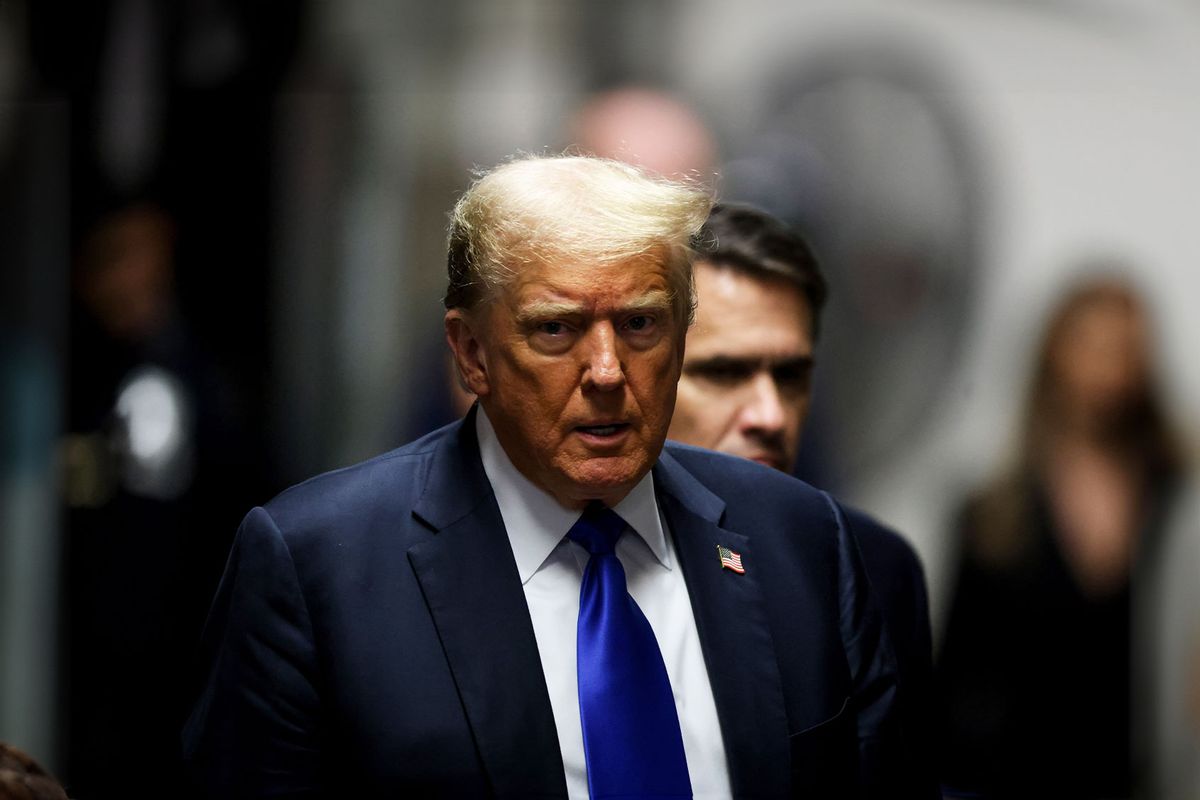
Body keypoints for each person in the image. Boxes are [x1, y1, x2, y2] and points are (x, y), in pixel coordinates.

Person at [183, 154, 909, 797]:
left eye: (641, 325)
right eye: (555, 329)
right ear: (471, 354)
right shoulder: (320, 571)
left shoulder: (800, 540)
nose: (606, 372)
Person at [667, 202, 937, 798]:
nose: (770, 414)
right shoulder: (584, 553)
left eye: (790, 377)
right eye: (725, 372)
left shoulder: (874, 568)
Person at [936, 276, 1187, 798]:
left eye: (1124, 350)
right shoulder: (994, 516)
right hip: (1016, 782)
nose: (1107, 371)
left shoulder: (1180, 505)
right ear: (1052, 358)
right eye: (1091, 346)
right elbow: (953, 687)